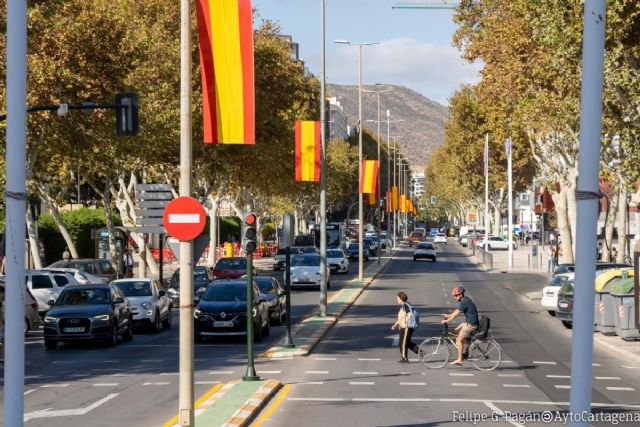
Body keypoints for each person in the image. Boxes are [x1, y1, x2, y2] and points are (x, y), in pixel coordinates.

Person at [442, 286, 479, 366]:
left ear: (460, 295)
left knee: (458, 339)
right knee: (456, 331)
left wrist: (447, 320)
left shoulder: (464, 302)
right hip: (470, 322)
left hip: (471, 325)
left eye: (456, 295)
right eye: (454, 296)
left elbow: (456, 314)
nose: (455, 297)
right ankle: (470, 345)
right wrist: (448, 316)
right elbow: (456, 311)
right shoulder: (465, 300)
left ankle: (459, 360)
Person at [390, 291, 419, 363]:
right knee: (407, 342)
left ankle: (404, 358)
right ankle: (421, 353)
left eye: (397, 298)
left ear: (401, 298)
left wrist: (406, 322)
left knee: (403, 343)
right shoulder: (404, 306)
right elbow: (401, 318)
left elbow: (410, 315)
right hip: (404, 327)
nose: (397, 300)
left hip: (406, 327)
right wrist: (395, 325)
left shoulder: (406, 305)